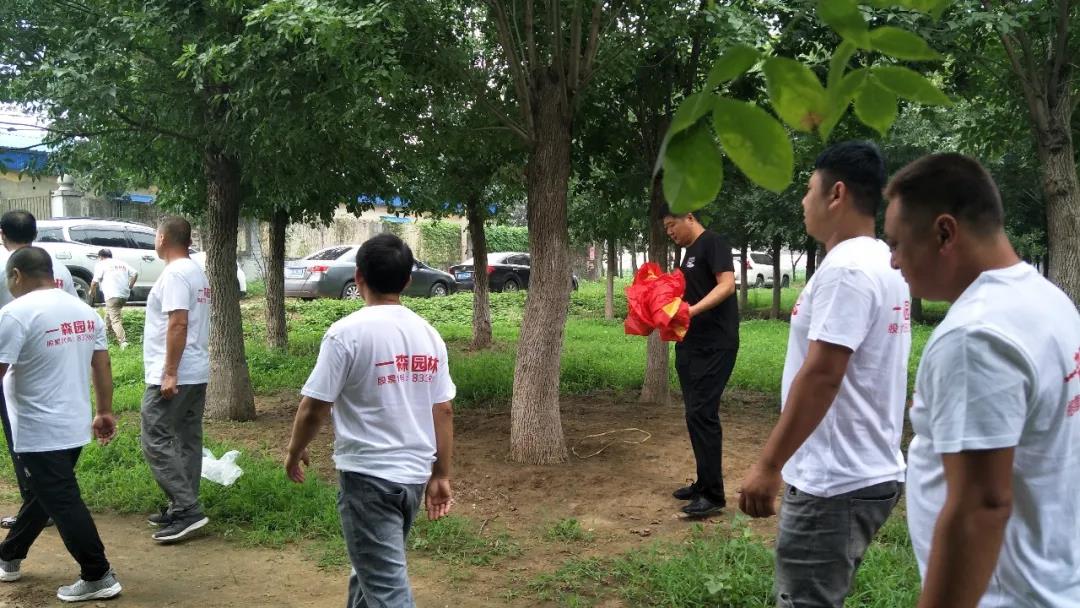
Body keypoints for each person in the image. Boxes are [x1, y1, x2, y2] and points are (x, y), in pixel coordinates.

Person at [884, 153, 1080, 607]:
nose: (893, 261)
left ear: (944, 232)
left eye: (896, 243)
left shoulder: (975, 336)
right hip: (1051, 582)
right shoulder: (1047, 301)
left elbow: (981, 508)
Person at [738, 141, 911, 607]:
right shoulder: (883, 261)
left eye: (808, 188)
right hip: (865, 468)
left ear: (836, 193)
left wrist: (769, 465)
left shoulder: (847, 270)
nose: (802, 201)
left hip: (835, 479)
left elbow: (822, 376)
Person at [285, 233, 455, 608]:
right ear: (407, 281)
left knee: (386, 589)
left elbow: (314, 407)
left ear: (358, 276)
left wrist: (294, 451)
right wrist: (440, 474)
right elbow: (443, 409)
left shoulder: (345, 334)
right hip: (412, 479)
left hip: (368, 478)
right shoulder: (429, 336)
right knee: (371, 574)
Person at [0, 247, 121, 602]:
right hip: (74, 424)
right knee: (45, 494)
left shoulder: (15, 314)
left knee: (62, 499)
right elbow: (102, 365)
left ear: (17, 275)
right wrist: (105, 411)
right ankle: (9, 556)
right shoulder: (84, 310)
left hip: (38, 429)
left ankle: (97, 574)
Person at [0, 210, 79, 529]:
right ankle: (46, 502)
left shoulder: (8, 267)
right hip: (61, 363)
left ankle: (36, 503)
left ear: (3, 234)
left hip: (16, 365)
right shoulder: (56, 266)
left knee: (21, 437)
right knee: (54, 438)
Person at [661, 205, 739, 517]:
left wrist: (690, 312)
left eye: (671, 225)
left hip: (715, 344)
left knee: (703, 414)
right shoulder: (689, 253)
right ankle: (703, 483)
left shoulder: (713, 243)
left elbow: (727, 284)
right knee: (694, 414)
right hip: (691, 344)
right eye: (666, 228)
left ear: (689, 217)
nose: (670, 232)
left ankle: (713, 495)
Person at [140, 216, 211, 543]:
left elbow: (178, 323)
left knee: (154, 437)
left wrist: (169, 371)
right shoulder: (195, 271)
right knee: (186, 439)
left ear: (163, 238)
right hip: (195, 370)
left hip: (175, 373)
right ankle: (183, 506)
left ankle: (187, 508)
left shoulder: (175, 274)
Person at [89, 249, 137, 349]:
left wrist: (92, 292)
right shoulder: (121, 263)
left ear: (100, 257)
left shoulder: (101, 264)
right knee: (109, 312)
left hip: (112, 295)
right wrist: (130, 286)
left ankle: (123, 342)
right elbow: (135, 273)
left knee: (115, 319)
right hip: (124, 295)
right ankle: (106, 334)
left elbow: (94, 282)